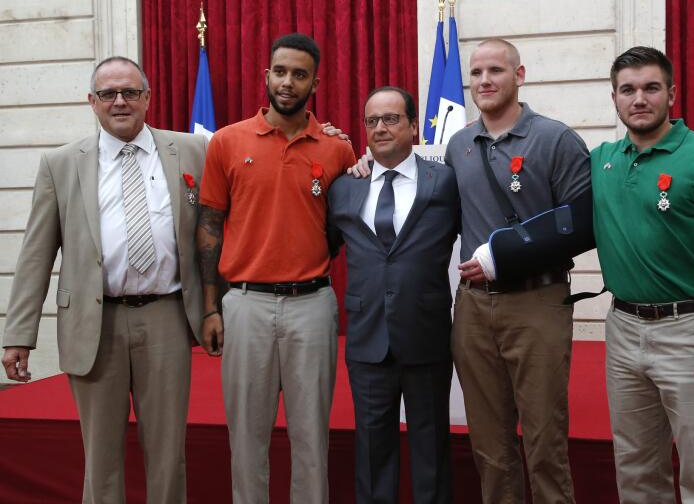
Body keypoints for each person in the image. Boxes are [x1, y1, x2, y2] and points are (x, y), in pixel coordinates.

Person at [1, 56, 207, 503]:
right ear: (91, 101)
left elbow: (218, 231)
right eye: (109, 93)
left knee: (169, 453)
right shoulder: (60, 164)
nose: (120, 102)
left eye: (130, 92)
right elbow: (36, 253)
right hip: (96, 325)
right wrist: (19, 333)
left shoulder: (192, 151)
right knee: (101, 457)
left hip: (167, 318)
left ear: (147, 99)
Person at [592, 46, 694, 503]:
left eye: (650, 88)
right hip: (622, 330)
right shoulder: (602, 160)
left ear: (671, 94)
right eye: (628, 89)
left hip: (690, 333)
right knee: (637, 469)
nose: (638, 98)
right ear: (614, 98)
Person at [197, 33, 356, 504]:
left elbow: (340, 227)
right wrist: (211, 308)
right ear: (266, 75)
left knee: (312, 437)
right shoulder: (227, 142)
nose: (288, 82)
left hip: (312, 304)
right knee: (247, 436)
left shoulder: (336, 150)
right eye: (280, 71)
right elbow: (208, 227)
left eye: (299, 74)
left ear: (315, 82)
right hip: (244, 304)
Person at [446, 39, 590, 503]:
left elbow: (583, 226)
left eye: (496, 71)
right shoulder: (459, 145)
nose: (484, 81)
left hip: (536, 304)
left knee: (545, 442)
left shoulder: (555, 139)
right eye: (477, 73)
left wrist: (506, 258)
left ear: (519, 75)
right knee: (490, 445)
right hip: (472, 311)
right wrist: (371, 162)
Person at [327, 86, 459, 504]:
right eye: (371, 121)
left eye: (391, 119)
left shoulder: (446, 181)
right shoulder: (344, 188)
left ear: (413, 125)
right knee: (371, 451)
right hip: (367, 338)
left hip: (426, 333)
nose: (380, 128)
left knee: (432, 448)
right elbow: (326, 244)